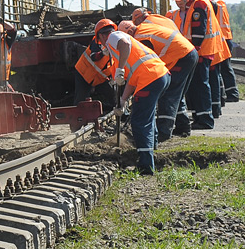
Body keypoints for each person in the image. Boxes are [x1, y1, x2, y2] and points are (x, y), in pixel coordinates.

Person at [96, 19, 169, 176]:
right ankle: (152, 149)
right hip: (160, 75)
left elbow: (125, 45)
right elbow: (132, 81)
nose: (103, 46)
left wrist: (120, 69)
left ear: (101, 36)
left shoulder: (113, 36)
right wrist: (122, 101)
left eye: (100, 42)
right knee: (147, 117)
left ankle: (146, 166)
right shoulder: (123, 55)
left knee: (139, 121)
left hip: (150, 78)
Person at [126, 11, 197, 142]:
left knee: (168, 94)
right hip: (186, 51)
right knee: (177, 93)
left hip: (179, 56)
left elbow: (147, 63)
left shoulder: (141, 36)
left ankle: (164, 132)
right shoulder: (154, 22)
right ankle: (183, 126)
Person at [177, 0, 222, 130]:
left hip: (201, 51)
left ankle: (205, 120)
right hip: (203, 50)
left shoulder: (199, 3)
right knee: (198, 85)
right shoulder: (200, 1)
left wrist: (194, 50)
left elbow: (198, 29)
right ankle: (200, 117)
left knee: (200, 85)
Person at [72, 38, 116, 105]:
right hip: (84, 74)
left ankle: (120, 111)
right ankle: (78, 114)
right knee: (81, 99)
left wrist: (113, 78)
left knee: (113, 95)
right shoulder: (98, 42)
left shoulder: (117, 49)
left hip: (99, 78)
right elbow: (94, 57)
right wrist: (102, 53)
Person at [213, 0, 240, 102]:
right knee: (225, 67)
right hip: (225, 39)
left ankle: (232, 94)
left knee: (224, 68)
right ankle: (230, 93)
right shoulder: (222, 7)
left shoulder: (218, 6)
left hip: (222, 39)